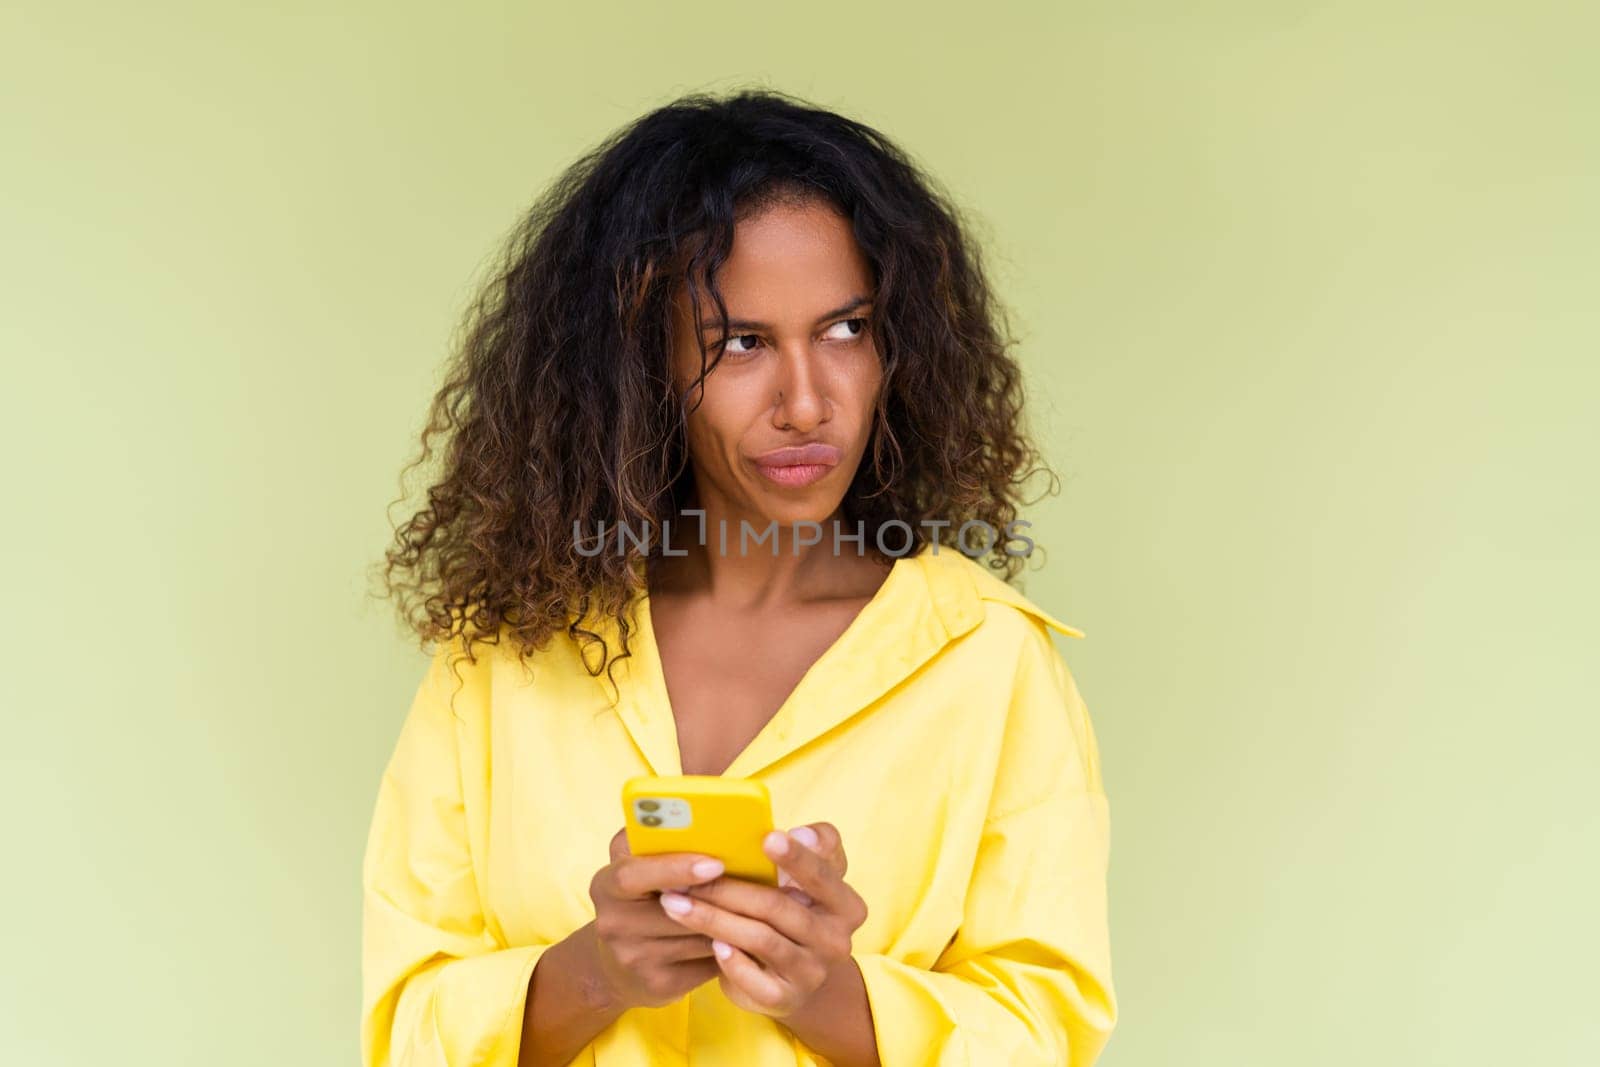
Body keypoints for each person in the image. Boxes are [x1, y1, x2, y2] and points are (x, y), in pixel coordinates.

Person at [362, 87, 1117, 1067]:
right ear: (641, 359)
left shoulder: (989, 661)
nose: (807, 401)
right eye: (741, 343)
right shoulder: (502, 648)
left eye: (846, 328)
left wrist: (831, 996)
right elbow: (401, 1023)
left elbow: (1047, 1030)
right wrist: (595, 971)